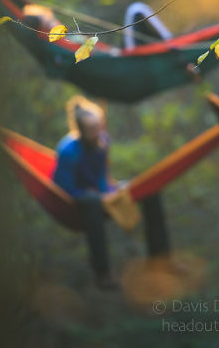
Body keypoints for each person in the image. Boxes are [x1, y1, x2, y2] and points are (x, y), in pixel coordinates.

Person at [53, 96, 172, 290]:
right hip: (77, 198)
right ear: (81, 130)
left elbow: (102, 175)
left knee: (149, 190)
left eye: (98, 127)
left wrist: (110, 191)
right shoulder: (68, 151)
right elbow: (62, 187)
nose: (97, 132)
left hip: (101, 192)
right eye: (91, 130)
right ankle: (102, 274)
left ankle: (160, 258)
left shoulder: (103, 141)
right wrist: (97, 196)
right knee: (92, 203)